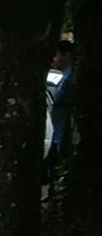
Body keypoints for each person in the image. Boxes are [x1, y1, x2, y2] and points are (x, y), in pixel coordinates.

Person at [47, 40, 74, 174]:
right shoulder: (64, 78)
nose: (53, 59)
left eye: (56, 55)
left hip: (62, 137)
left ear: (66, 55)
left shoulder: (71, 79)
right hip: (56, 136)